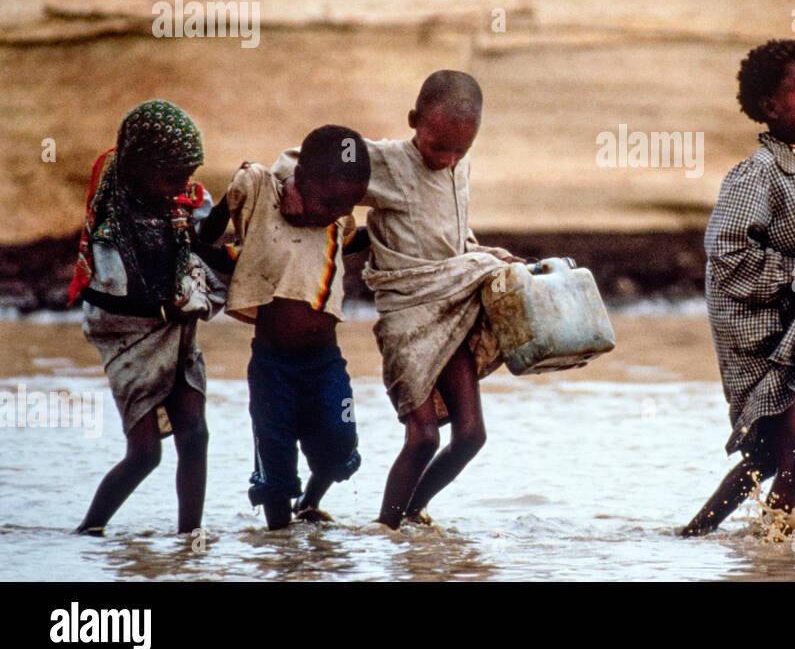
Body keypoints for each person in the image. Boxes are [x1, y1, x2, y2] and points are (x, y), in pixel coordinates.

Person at [274, 71, 522, 529]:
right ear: (414, 121)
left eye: (459, 151)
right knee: (423, 437)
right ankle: (385, 529)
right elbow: (305, 156)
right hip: (408, 318)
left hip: (455, 308)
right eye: (437, 147)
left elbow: (450, 234)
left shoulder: (458, 167)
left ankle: (411, 514)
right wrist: (290, 181)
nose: (447, 160)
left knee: (471, 435)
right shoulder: (387, 162)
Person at [679, 39, 795, 537]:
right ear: (770, 107)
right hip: (760, 338)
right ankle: (772, 552)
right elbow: (727, 253)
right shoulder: (757, 174)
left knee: (765, 457)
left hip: (790, 330)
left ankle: (694, 537)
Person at [203, 125, 370, 529]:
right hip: (273, 367)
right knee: (275, 460)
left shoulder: (335, 224)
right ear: (302, 180)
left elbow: (358, 231)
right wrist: (198, 237)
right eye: (328, 201)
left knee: (340, 442)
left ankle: (310, 504)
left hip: (325, 363)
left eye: (346, 206)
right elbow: (214, 238)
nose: (335, 212)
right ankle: (279, 540)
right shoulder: (266, 206)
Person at [71, 100, 224, 536]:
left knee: (196, 436)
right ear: (141, 165)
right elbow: (105, 302)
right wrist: (161, 309)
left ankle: (189, 538)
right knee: (145, 454)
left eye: (187, 173)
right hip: (130, 341)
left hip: (179, 333)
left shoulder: (183, 202)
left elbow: (206, 241)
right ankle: (90, 530)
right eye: (174, 173)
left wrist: (233, 209)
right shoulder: (110, 227)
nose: (183, 183)